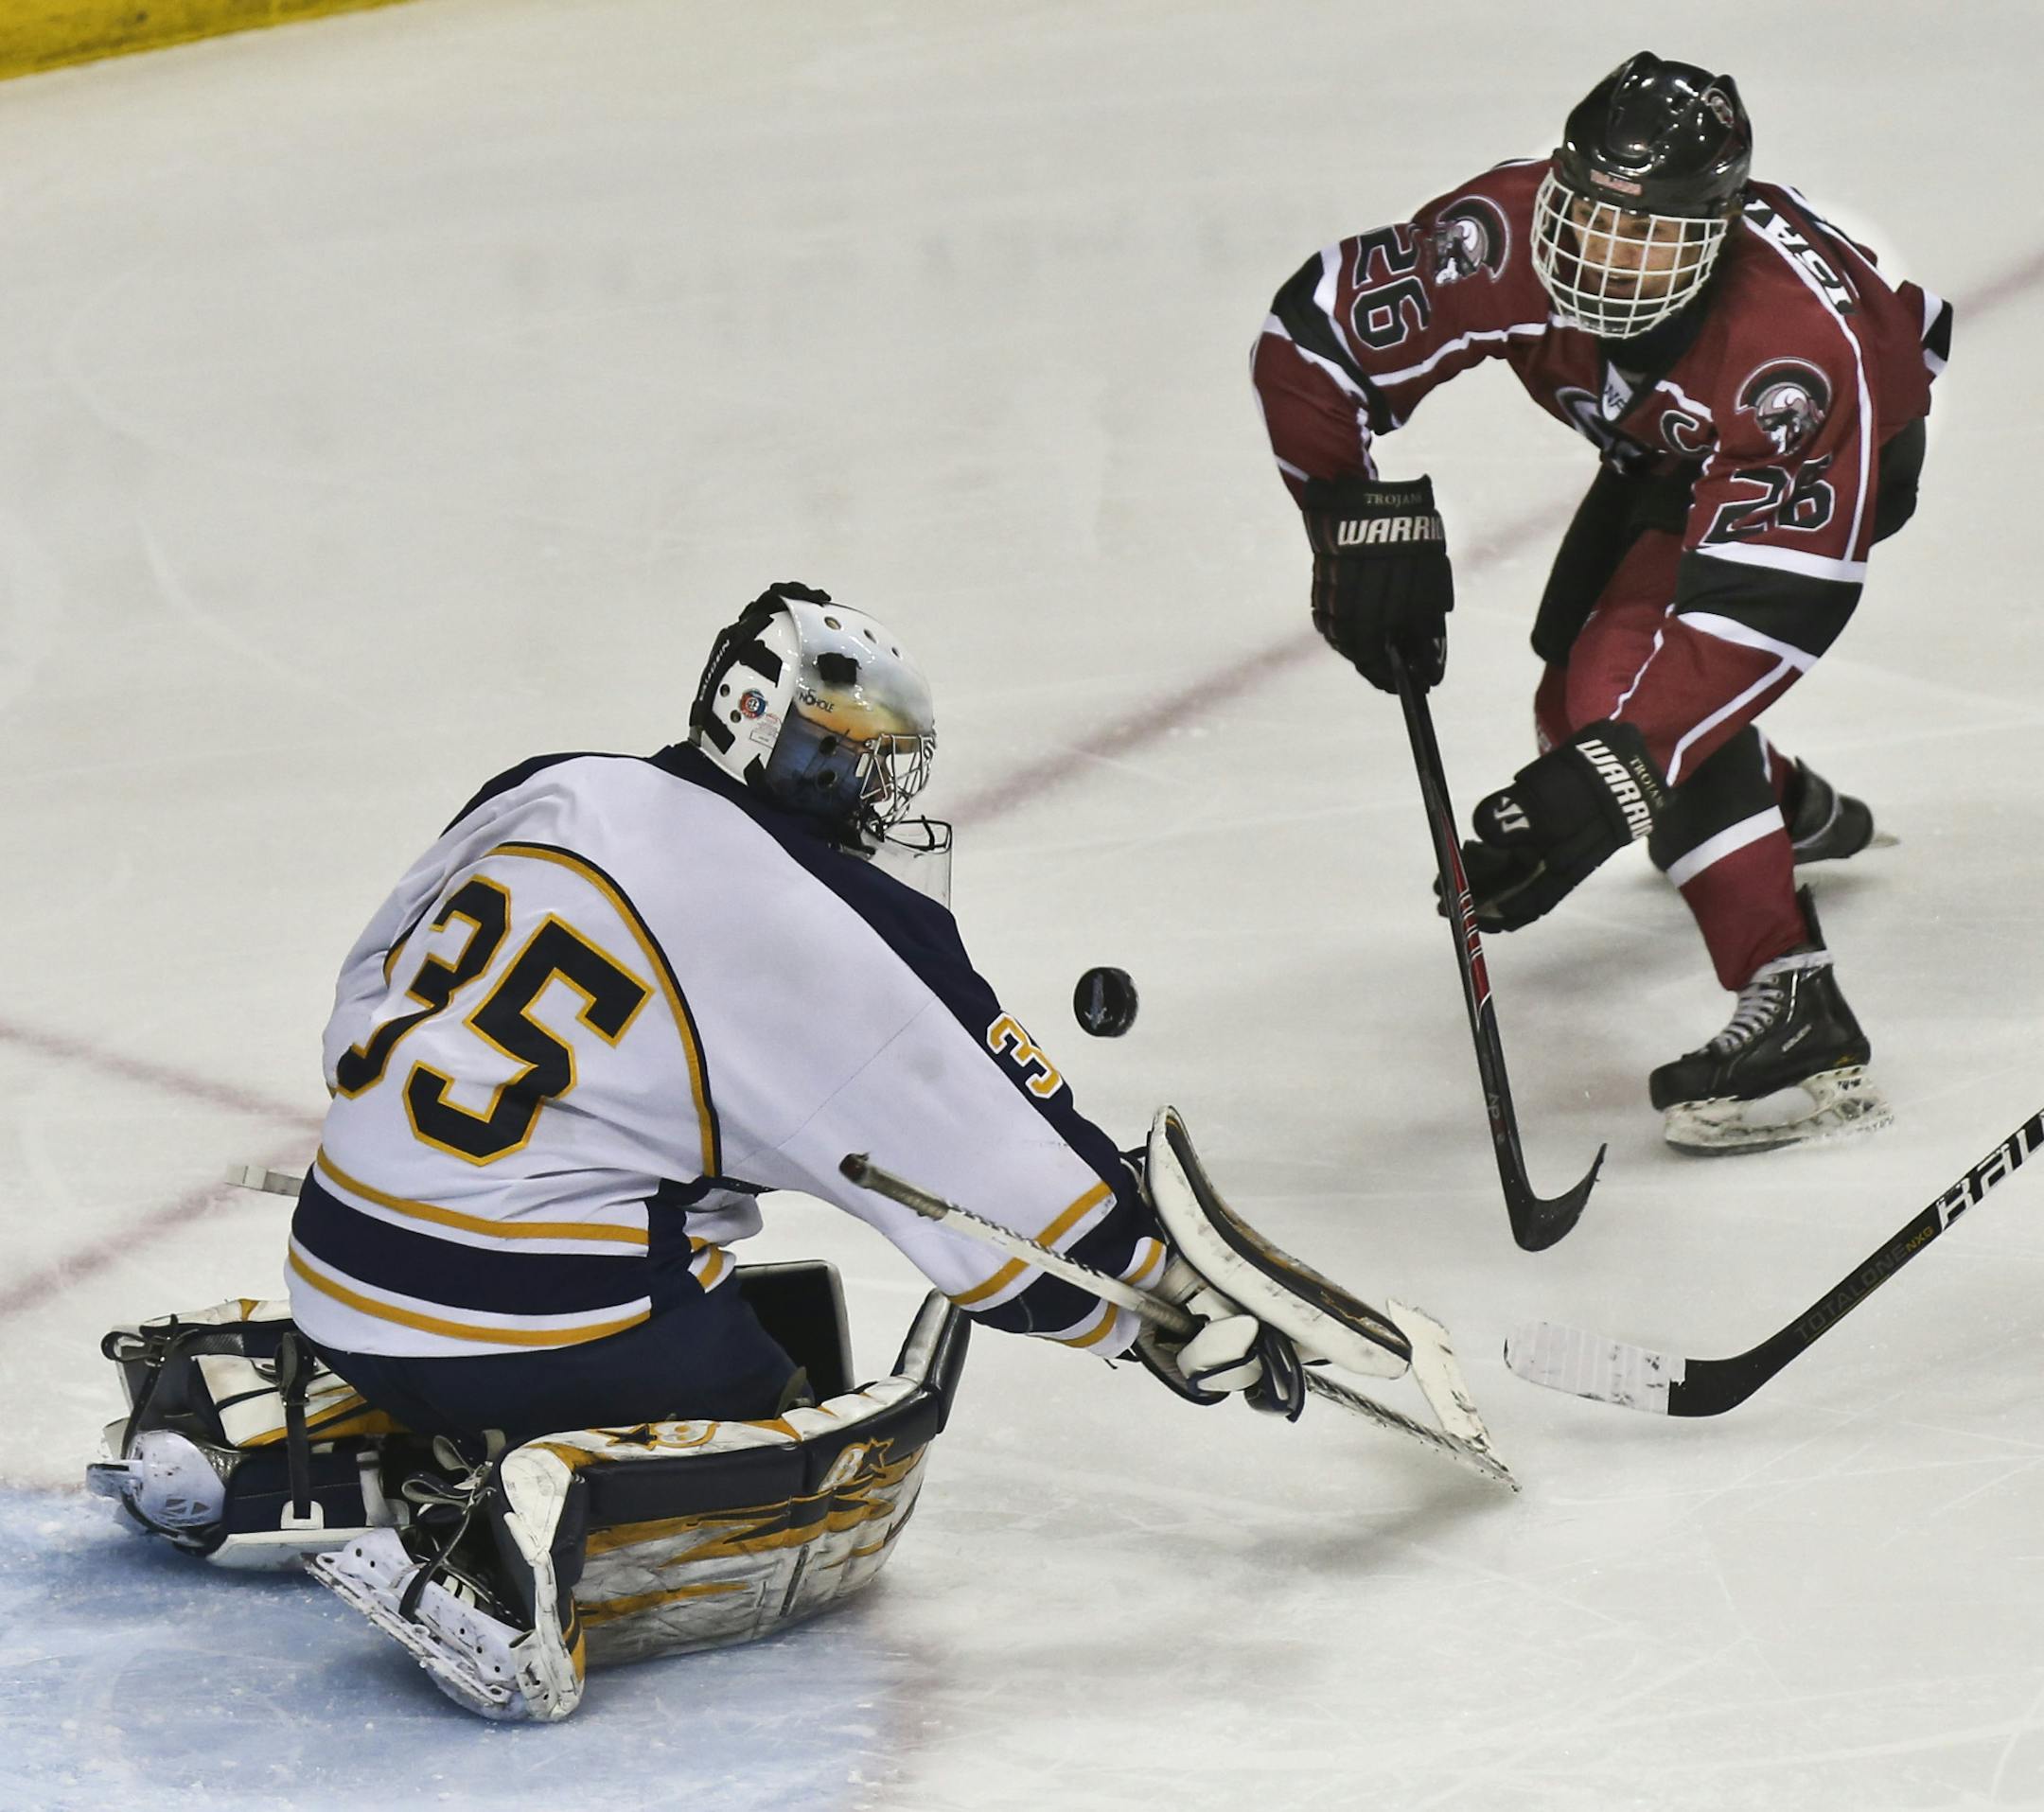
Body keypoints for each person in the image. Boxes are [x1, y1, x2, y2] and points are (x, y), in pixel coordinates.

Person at [91, 581, 1452, 1723]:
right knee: (807, 1425)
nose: (867, 781)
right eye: (844, 744)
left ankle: (261, 1425)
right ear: (760, 723)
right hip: (534, 1311)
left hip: (339, 1253)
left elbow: (366, 988)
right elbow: (995, 1161)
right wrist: (1152, 1306)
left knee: (590, 1289)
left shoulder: (556, 784)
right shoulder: (812, 908)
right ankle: (519, 1545)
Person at [1252, 52, 1950, 1154]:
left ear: (1715, 234)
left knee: (1617, 703)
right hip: (1666, 443)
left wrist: (1628, 763)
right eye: (1590, 219)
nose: (1606, 263)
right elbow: (1313, 343)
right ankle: (1781, 808)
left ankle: (1797, 1006)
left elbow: (1757, 617)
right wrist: (1346, 512)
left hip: (1840, 444)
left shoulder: (1799, 360)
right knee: (1583, 709)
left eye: (1652, 238)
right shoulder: (1505, 229)